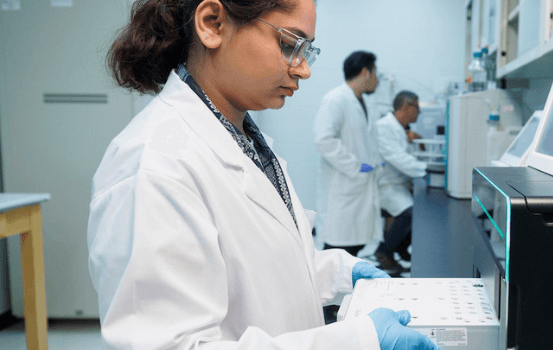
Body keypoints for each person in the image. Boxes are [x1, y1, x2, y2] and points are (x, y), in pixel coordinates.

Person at [87, 0, 438, 349]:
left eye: (307, 51)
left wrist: (341, 272)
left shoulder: (242, 139)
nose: (303, 70)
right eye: (289, 45)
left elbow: (262, 265)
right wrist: (355, 340)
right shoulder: (154, 166)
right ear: (212, 24)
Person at [313, 51, 384, 257]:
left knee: (352, 249)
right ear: (365, 72)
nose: (377, 80)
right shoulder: (335, 100)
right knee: (337, 252)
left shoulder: (362, 102)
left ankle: (349, 289)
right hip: (343, 186)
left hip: (358, 188)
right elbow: (324, 140)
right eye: (375, 73)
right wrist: (355, 166)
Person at [374, 91, 427, 275]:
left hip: (398, 183)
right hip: (385, 185)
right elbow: (398, 158)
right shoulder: (384, 128)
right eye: (417, 107)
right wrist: (427, 169)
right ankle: (384, 251)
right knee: (410, 212)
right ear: (406, 107)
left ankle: (399, 249)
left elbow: (407, 155)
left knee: (420, 209)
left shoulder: (399, 129)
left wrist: (416, 140)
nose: (419, 113)